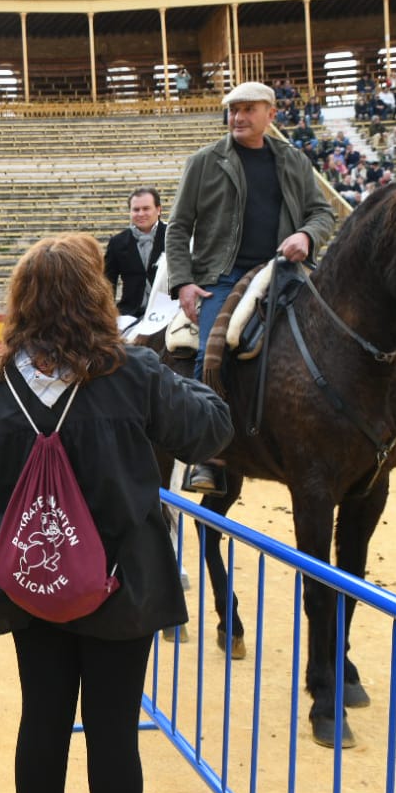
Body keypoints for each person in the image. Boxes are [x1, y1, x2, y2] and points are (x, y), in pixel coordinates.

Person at [0, 233, 232, 793]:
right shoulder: (130, 372)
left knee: (40, 725)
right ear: (94, 296)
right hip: (122, 586)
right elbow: (211, 430)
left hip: (34, 583)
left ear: (21, 303)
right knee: (112, 736)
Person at [165, 81, 335, 492]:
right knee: (213, 349)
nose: (238, 117)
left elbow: (322, 212)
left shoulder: (294, 160)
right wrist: (184, 283)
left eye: (248, 109)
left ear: (270, 115)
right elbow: (178, 227)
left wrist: (308, 237)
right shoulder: (204, 162)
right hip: (222, 276)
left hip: (283, 273)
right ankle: (209, 456)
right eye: (233, 110)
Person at [103, 188, 167, 320]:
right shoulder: (117, 242)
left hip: (168, 311)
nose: (141, 213)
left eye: (146, 208)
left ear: (158, 209)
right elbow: (108, 282)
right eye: (136, 210)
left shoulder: (173, 237)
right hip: (129, 313)